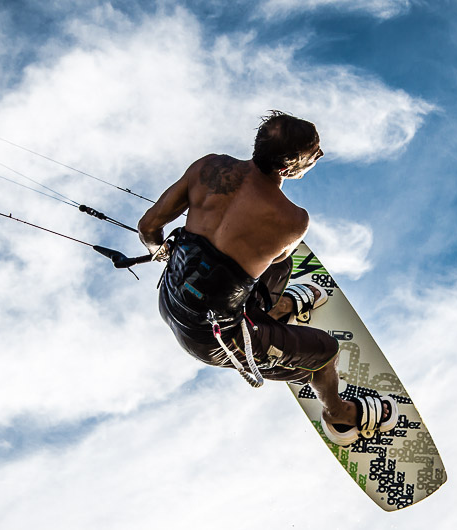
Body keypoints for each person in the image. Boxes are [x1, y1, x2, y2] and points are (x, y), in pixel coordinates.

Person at [137, 111, 396, 446]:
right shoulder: (292, 219)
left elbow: (148, 229)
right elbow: (267, 248)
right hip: (214, 340)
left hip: (171, 298)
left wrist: (167, 254)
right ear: (288, 168)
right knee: (325, 353)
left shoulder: (209, 167)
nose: (319, 156)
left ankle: (275, 312)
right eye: (313, 154)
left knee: (279, 266)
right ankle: (338, 415)